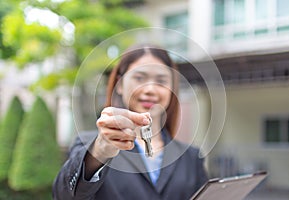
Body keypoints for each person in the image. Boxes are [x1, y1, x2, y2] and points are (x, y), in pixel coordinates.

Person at [52, 44, 208, 200]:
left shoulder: (191, 157)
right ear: (119, 85)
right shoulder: (90, 147)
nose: (150, 89)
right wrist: (99, 152)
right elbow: (64, 196)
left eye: (161, 80)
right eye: (139, 78)